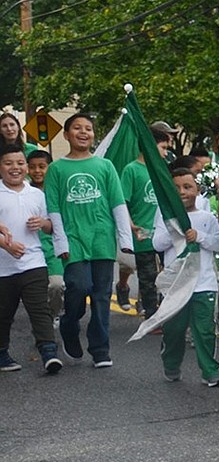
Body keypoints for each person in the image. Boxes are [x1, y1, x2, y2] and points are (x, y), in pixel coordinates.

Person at [44, 113, 133, 368]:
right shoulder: (57, 169)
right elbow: (54, 209)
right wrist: (61, 244)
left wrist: (125, 239)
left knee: (102, 297)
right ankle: (70, 325)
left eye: (89, 129)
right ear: (67, 134)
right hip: (73, 241)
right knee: (79, 288)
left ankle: (100, 349)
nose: (84, 132)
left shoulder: (105, 167)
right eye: (77, 128)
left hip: (102, 241)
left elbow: (117, 203)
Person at [153, 169, 219, 386]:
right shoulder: (164, 214)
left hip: (204, 284)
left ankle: (210, 370)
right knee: (174, 330)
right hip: (176, 285)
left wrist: (200, 236)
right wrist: (175, 230)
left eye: (187, 187)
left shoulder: (206, 218)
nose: (182, 192)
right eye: (176, 188)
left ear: (198, 190)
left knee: (204, 330)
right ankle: (171, 363)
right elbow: (157, 244)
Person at [0, 144, 61, 374]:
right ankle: (2, 353)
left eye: (19, 163)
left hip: (33, 262)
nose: (15, 168)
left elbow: (49, 226)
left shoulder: (36, 194)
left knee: (39, 309)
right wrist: (6, 245)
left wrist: (42, 223)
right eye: (8, 163)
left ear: (25, 166)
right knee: (4, 313)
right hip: (3, 267)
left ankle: (48, 352)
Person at [117, 127, 170, 318]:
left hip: (164, 233)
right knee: (148, 278)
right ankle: (151, 314)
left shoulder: (162, 170)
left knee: (168, 274)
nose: (166, 152)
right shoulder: (131, 170)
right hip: (142, 234)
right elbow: (123, 201)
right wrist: (129, 224)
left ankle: (166, 312)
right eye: (163, 147)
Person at [26, 150, 64, 322]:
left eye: (42, 167)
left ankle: (54, 314)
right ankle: (41, 324)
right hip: (29, 249)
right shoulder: (23, 191)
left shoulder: (58, 189)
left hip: (53, 249)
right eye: (32, 167)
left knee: (56, 285)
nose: (37, 171)